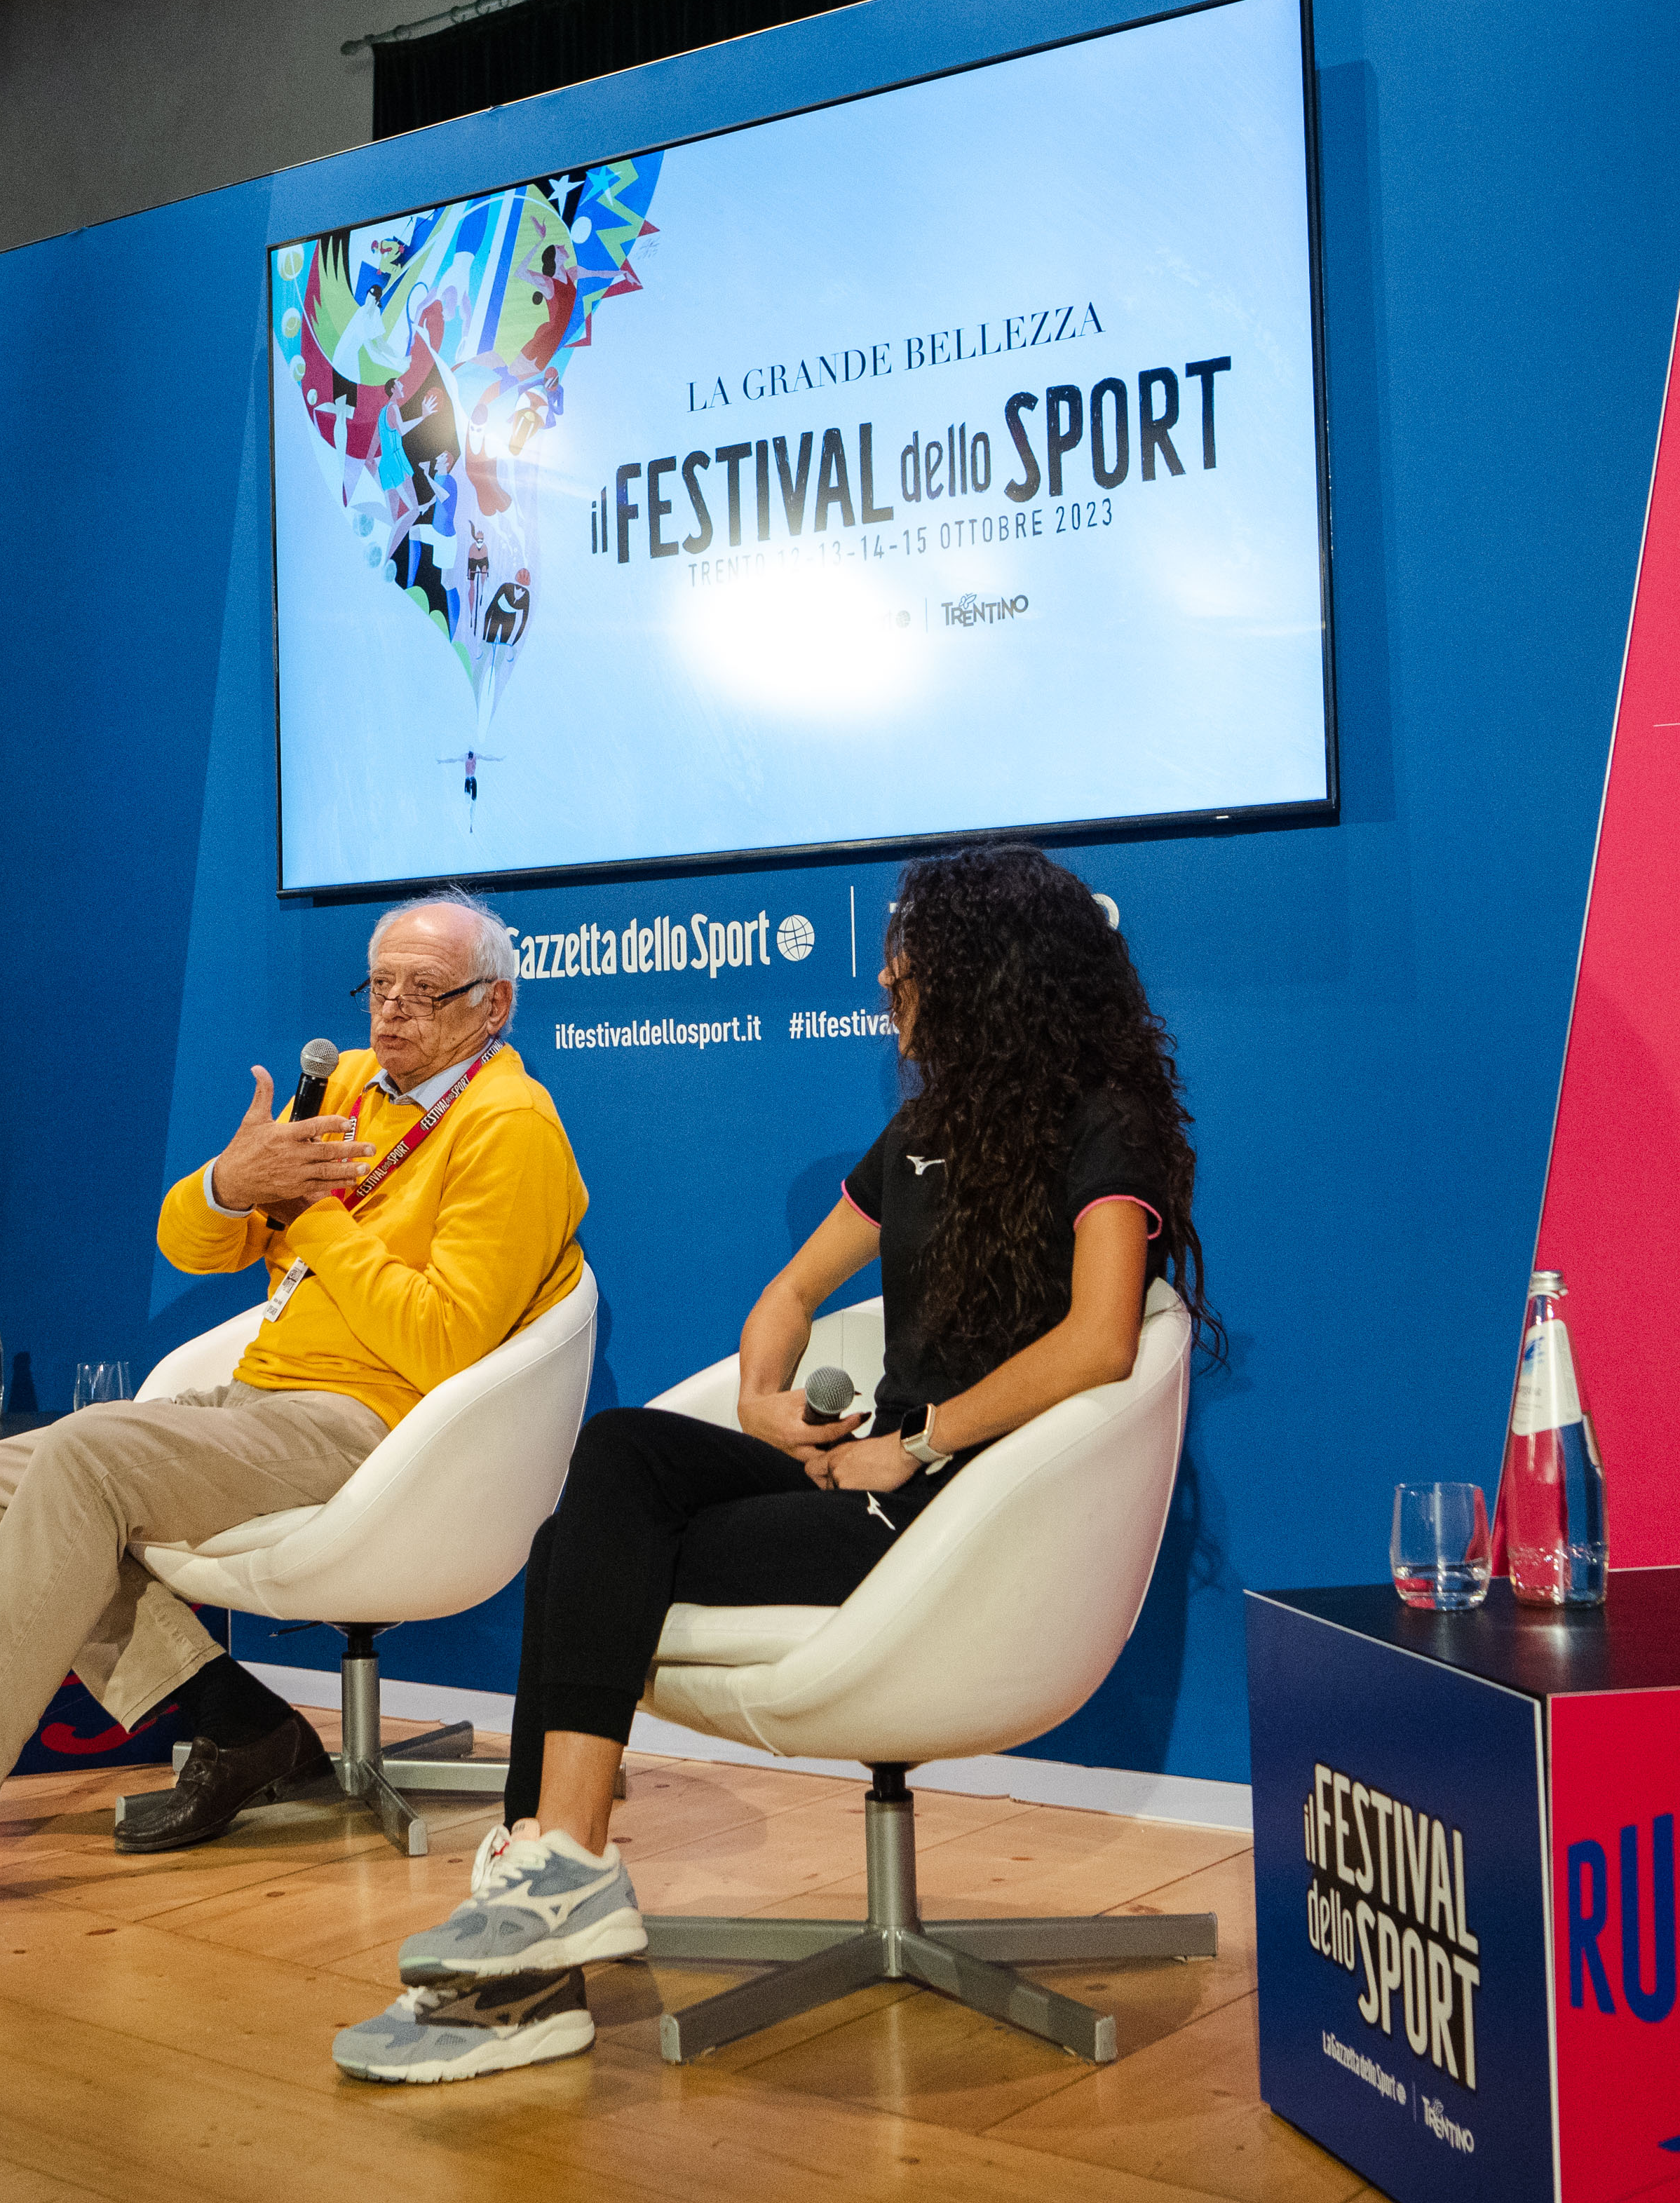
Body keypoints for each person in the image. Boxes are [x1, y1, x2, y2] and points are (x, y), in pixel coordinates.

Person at [334, 843, 1200, 2082]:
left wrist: (922, 1441)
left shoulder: (1105, 1123)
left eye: (911, 960)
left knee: (603, 1550)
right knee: (621, 1458)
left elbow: (1104, 1338)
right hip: (875, 1476)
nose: (892, 981)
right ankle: (559, 1869)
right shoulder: (924, 1129)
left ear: (983, 972)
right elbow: (792, 1292)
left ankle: (540, 1940)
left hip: (966, 1510)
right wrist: (761, 1394)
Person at [0, 890, 588, 1918]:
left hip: (379, 1426)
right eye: (379, 986)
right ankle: (239, 1715)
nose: (390, 1013)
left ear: (496, 1005)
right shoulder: (348, 1089)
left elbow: (445, 1340)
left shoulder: (510, 1127)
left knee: (77, 1459)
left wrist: (309, 1217)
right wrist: (231, 1181)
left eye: (423, 991)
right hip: (264, 1394)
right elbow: (192, 1243)